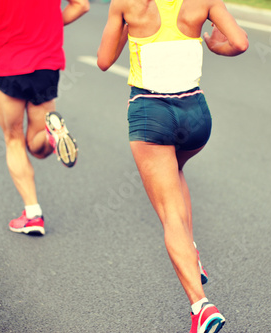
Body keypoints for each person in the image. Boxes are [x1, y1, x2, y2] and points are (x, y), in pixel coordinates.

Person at [97, 0, 248, 332]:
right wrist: (212, 44)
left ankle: (201, 306)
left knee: (171, 215)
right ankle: (191, 251)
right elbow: (239, 42)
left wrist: (126, 26)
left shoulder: (124, 3)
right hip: (196, 116)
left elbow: (105, 61)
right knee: (174, 172)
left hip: (151, 115)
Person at [0, 0, 89, 235]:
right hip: (47, 65)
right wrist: (49, 28)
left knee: (14, 139)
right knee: (37, 143)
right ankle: (54, 135)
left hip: (9, 65)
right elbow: (82, 5)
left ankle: (33, 215)